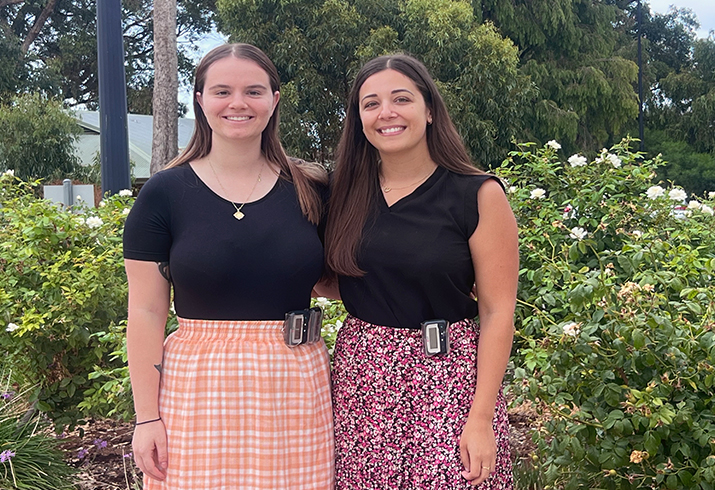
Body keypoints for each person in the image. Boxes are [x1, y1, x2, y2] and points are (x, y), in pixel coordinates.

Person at [123, 43, 334, 490]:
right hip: (196, 386)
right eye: (222, 91)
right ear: (199, 99)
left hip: (294, 383)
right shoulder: (163, 193)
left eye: (253, 91)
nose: (238, 103)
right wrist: (147, 418)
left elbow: (338, 281)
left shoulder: (312, 189)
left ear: (274, 100)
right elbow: (145, 311)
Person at [323, 54, 518, 489]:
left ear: (429, 110)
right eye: (370, 103)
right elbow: (334, 275)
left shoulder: (476, 194)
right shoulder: (342, 193)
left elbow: (497, 311)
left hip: (449, 377)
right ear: (358, 119)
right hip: (364, 378)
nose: (385, 113)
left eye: (400, 99)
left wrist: (482, 416)